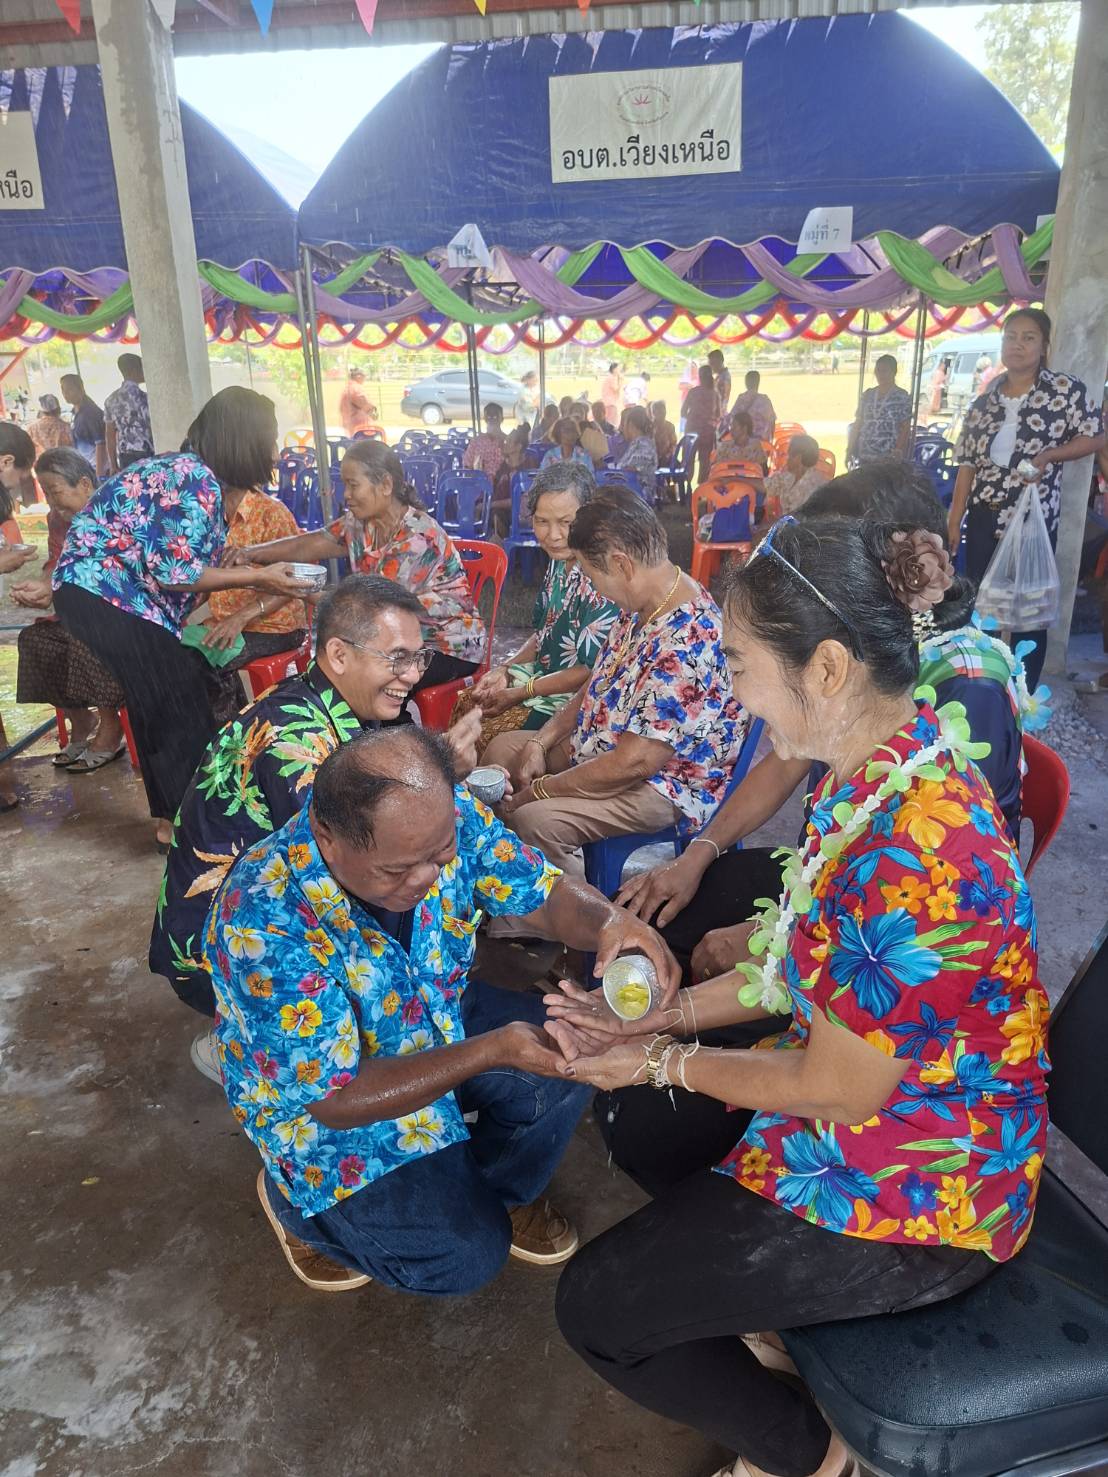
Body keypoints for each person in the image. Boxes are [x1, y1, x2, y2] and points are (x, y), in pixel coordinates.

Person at [549, 513, 1048, 1477]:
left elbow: (838, 1089)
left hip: (930, 1176)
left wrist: (658, 1056)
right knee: (645, 1126)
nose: (733, 693)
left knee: (597, 1310)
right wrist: (666, 1017)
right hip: (870, 1098)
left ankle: (814, 1456)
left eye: (739, 665)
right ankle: (782, 1320)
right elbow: (795, 962)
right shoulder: (870, 775)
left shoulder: (923, 853)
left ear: (825, 668)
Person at [205, 724, 678, 1293]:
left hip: (434, 1010)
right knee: (463, 1259)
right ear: (328, 839)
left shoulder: (440, 815)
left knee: (569, 1049)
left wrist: (609, 922)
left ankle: (496, 1192)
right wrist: (493, 1050)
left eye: (441, 855)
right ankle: (301, 1212)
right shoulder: (261, 915)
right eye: (397, 869)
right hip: (324, 1101)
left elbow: (542, 892)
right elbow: (336, 1098)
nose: (427, 878)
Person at [619, 464, 1036, 980]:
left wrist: (770, 941)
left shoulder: (966, 684)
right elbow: (785, 763)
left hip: (903, 915)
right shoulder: (846, 672)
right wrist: (697, 855)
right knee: (654, 923)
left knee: (683, 964)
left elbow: (930, 894)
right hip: (829, 873)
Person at [150, 574, 485, 1066]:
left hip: (254, 917)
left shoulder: (327, 704)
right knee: (411, 894)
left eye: (419, 658)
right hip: (220, 953)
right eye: (397, 658)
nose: (413, 675)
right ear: (340, 654)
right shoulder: (298, 744)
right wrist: (442, 774)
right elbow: (358, 866)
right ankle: (247, 1046)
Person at [50, 388, 312, 850]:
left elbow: (178, 569)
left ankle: (174, 823)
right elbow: (176, 574)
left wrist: (242, 571)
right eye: (269, 440)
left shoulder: (192, 476)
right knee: (177, 701)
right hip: (106, 592)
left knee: (162, 699)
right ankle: (195, 827)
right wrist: (261, 576)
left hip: (103, 594)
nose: (273, 452)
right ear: (244, 439)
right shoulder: (193, 478)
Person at [482, 491, 743, 893]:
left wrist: (541, 790)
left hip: (660, 785)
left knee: (535, 820)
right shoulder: (642, 606)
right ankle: (512, 889)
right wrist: (540, 741)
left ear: (622, 565)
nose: (594, 588)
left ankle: (573, 920)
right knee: (504, 752)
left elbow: (634, 764)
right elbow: (597, 682)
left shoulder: (689, 639)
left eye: (591, 576)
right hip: (605, 751)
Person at [228, 439, 485, 693]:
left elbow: (372, 612)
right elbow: (314, 542)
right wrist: (249, 553)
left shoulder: (418, 538)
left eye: (353, 485)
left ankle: (392, 721)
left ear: (385, 485)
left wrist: (301, 589)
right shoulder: (360, 523)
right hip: (400, 639)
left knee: (368, 675)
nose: (346, 495)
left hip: (448, 647)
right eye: (344, 485)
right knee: (336, 667)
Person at [948, 307, 1104, 690]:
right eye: (1010, 337)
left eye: (1028, 337)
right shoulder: (985, 401)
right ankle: (984, 689)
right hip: (984, 517)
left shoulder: (1064, 391)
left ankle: (1024, 695)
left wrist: (1051, 455)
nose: (1017, 344)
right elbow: (967, 463)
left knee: (1028, 613)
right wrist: (954, 519)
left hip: (1033, 521)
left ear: (1044, 345)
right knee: (982, 607)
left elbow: (1095, 436)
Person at [468, 463, 619, 744]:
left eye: (566, 522)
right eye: (542, 521)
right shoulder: (559, 563)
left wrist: (521, 691)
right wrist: (504, 669)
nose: (553, 535)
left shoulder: (602, 577)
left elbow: (588, 671)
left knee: (486, 733)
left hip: (575, 701)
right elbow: (543, 635)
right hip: (541, 679)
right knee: (470, 702)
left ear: (589, 518)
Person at [9, 448, 126, 772]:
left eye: (55, 491)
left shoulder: (116, 512)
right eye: (45, 493)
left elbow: (116, 571)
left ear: (85, 484)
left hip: (122, 616)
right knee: (35, 639)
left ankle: (111, 725)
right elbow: (55, 561)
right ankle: (81, 719)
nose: (51, 501)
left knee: (83, 634)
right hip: (79, 613)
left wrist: (59, 584)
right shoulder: (58, 520)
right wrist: (43, 585)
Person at [192, 482, 309, 682]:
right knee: (176, 654)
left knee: (199, 664)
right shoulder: (211, 511)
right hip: (224, 621)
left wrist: (240, 618)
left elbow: (293, 582)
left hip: (274, 627)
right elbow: (209, 574)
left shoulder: (271, 512)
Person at [848, 353, 913, 465]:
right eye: (878, 370)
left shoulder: (902, 397)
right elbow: (858, 422)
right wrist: (849, 449)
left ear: (894, 372)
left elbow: (906, 427)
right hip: (865, 454)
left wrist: (898, 450)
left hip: (888, 456)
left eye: (885, 371)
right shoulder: (867, 395)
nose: (880, 374)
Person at [104, 353, 153, 471]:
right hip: (147, 452)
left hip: (125, 456)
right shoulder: (146, 398)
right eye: (142, 367)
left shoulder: (110, 400)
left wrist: (113, 464)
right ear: (133, 370)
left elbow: (109, 436)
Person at [762, 434, 828, 517]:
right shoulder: (790, 476)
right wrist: (744, 479)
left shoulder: (813, 486)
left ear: (798, 458)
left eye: (789, 456)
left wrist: (775, 523)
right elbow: (766, 485)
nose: (787, 460)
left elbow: (799, 519)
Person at [60, 374, 107, 477]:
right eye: (63, 389)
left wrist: (99, 475)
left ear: (80, 388)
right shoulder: (74, 412)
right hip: (86, 467)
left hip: (97, 468)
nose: (65, 393)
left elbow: (101, 444)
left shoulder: (90, 412)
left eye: (69, 389)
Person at [681, 365, 721, 486]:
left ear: (699, 377)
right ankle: (702, 489)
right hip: (707, 433)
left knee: (688, 461)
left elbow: (683, 412)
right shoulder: (715, 394)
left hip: (691, 431)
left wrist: (694, 418)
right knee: (705, 462)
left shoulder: (693, 392)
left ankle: (687, 488)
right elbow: (718, 415)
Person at [616, 405, 658, 487]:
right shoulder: (636, 444)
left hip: (637, 492)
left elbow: (632, 470)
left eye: (623, 425)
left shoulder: (644, 445)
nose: (621, 429)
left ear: (631, 425)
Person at [463, 402, 508, 477]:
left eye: (495, 416)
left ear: (502, 419)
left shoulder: (509, 442)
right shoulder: (476, 441)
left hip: (503, 482)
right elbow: (467, 465)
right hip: (480, 481)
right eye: (489, 416)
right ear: (485, 419)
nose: (492, 418)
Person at [730, 369, 776, 442]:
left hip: (744, 441)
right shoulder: (765, 400)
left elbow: (732, 417)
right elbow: (772, 421)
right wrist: (771, 440)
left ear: (746, 383)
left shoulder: (741, 399)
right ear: (758, 383)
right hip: (761, 441)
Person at [27, 393, 73, 458]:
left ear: (42, 411)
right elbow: (71, 449)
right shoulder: (65, 427)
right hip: (62, 462)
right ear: (58, 410)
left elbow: (28, 450)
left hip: (40, 463)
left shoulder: (31, 428)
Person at [338, 366, 377, 438]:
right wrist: (373, 410)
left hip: (351, 426)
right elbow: (366, 405)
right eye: (364, 375)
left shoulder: (347, 388)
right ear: (358, 376)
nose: (365, 378)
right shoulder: (356, 388)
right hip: (361, 428)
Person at [707, 349, 731, 422]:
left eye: (712, 363)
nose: (710, 367)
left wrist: (718, 415)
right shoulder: (719, 376)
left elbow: (724, 399)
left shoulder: (725, 377)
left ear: (720, 362)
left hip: (718, 416)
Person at [651, 401, 677, 468]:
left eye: (663, 412)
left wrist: (667, 455)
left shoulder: (670, 426)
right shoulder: (649, 427)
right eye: (660, 412)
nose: (662, 415)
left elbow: (673, 444)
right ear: (653, 413)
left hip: (666, 458)